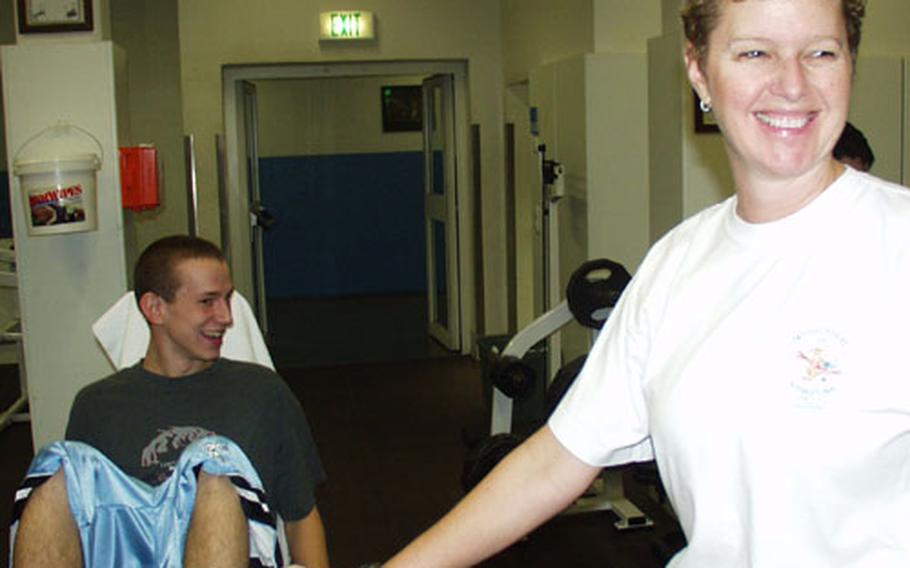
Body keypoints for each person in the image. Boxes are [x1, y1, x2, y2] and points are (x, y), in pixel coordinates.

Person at [384, 0, 910, 566]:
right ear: (698, 71)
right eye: (755, 52)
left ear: (850, 64)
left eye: (821, 52)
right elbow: (558, 458)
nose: (791, 83)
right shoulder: (678, 262)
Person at [10, 235, 329, 568]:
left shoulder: (263, 393)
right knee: (54, 475)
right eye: (208, 301)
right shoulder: (97, 405)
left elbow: (300, 517)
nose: (226, 317)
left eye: (227, 299)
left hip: (233, 550)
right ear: (155, 308)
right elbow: (82, 527)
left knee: (215, 477)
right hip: (133, 554)